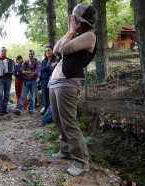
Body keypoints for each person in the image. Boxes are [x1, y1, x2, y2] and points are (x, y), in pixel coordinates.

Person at [49, 3, 97, 176]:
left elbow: (64, 48)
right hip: (56, 83)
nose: (71, 18)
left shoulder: (89, 36)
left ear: (79, 20)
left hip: (68, 84)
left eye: (73, 17)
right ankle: (66, 151)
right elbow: (55, 50)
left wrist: (70, 31)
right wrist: (71, 32)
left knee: (69, 123)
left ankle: (82, 162)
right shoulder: (76, 35)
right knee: (59, 122)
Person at [14, 50, 41, 115]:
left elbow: (37, 71)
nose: (30, 55)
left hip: (33, 81)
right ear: (27, 55)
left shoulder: (37, 62)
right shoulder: (25, 62)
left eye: (31, 54)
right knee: (23, 95)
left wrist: (28, 73)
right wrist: (32, 73)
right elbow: (23, 71)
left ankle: (31, 109)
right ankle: (18, 109)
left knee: (32, 96)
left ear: (34, 54)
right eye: (29, 54)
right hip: (26, 81)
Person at [39, 46, 58, 115]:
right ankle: (46, 111)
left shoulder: (56, 60)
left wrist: (53, 65)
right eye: (46, 51)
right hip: (43, 81)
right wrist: (39, 79)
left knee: (51, 98)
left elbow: (55, 70)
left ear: (52, 51)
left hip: (52, 80)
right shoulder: (44, 61)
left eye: (49, 50)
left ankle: (51, 114)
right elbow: (41, 71)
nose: (47, 52)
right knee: (45, 97)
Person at [0, 47, 14, 115]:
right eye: (2, 51)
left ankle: (4, 109)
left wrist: (13, 69)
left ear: (6, 52)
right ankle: (1, 108)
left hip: (8, 79)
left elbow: (13, 70)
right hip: (0, 79)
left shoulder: (10, 60)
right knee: (0, 94)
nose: (3, 52)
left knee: (7, 95)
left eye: (4, 51)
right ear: (0, 51)